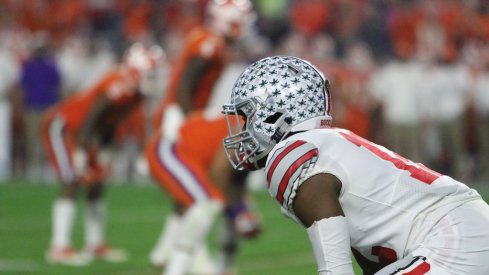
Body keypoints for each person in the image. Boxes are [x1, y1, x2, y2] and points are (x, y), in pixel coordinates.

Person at [221, 55, 489, 275]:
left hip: (453, 241)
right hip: (465, 233)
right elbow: (371, 257)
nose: (242, 128)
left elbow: (335, 270)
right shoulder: (325, 144)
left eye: (247, 115)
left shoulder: (292, 154)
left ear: (276, 112)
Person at [147, 0, 258, 273]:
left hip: (184, 119)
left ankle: (165, 252)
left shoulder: (212, 43)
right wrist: (185, 119)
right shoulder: (210, 44)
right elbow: (186, 84)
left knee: (192, 195)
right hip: (180, 123)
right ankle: (185, 258)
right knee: (201, 197)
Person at [41, 43, 163, 266]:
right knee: (72, 180)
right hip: (64, 126)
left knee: (97, 183)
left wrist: (105, 149)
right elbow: (92, 116)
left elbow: (110, 122)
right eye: (150, 72)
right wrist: (79, 151)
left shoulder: (136, 92)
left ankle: (94, 244)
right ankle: (58, 247)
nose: (153, 78)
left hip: (85, 133)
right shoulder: (117, 84)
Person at [146, 109, 261, 275]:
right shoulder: (249, 128)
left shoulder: (258, 130)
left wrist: (241, 211)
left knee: (223, 207)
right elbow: (218, 176)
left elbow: (236, 181)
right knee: (207, 204)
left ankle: (224, 268)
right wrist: (239, 211)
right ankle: (174, 270)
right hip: (171, 148)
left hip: (188, 157)